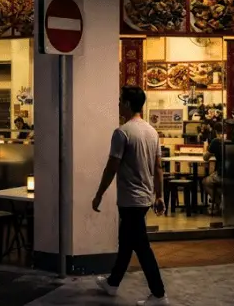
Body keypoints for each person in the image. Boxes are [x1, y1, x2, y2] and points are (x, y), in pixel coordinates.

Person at [94, 86, 168, 306]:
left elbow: (111, 167)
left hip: (130, 199)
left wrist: (99, 194)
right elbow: (158, 167)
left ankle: (159, 294)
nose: (118, 104)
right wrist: (159, 195)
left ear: (127, 104)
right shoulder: (151, 132)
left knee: (140, 246)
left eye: (120, 101)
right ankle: (112, 283)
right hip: (144, 198)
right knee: (126, 242)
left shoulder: (122, 132)